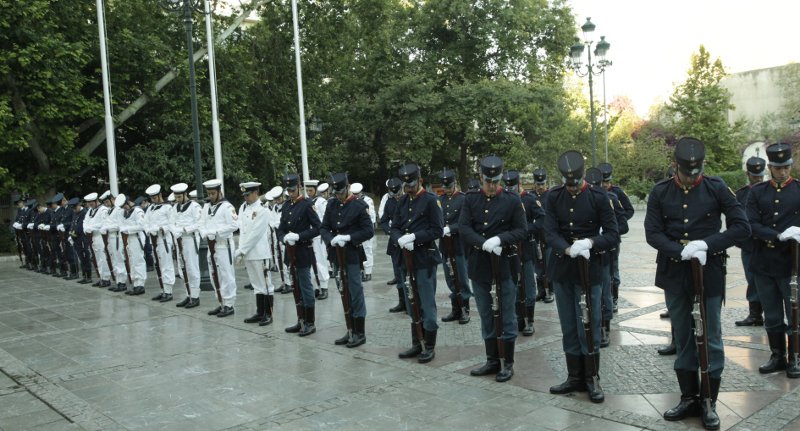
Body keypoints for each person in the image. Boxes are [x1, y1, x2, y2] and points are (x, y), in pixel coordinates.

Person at [644, 137, 750, 430]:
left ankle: (709, 401)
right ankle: (689, 396)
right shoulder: (661, 192)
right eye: (687, 172)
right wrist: (679, 250)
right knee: (683, 333)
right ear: (676, 167)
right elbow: (652, 232)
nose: (693, 177)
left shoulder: (716, 188)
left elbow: (742, 226)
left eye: (697, 171)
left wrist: (707, 244)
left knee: (711, 335)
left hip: (709, 270)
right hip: (675, 272)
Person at [547, 151, 619, 404]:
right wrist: (566, 248)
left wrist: (590, 242)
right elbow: (549, 230)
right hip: (564, 267)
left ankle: (592, 377)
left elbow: (613, 233)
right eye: (568, 182)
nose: (572, 186)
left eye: (575, 181)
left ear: (582, 176)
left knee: (589, 323)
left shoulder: (599, 196)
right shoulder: (554, 196)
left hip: (590, 269)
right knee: (569, 324)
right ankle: (574, 376)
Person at [459, 157, 526, 382]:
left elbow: (521, 230)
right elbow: (464, 228)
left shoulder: (512, 200)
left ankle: (507, 362)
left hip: (504, 264)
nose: (491, 185)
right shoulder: (471, 200)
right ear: (481, 178)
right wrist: (481, 242)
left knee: (506, 314)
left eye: (495, 181)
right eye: (488, 181)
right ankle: (491, 360)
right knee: (487, 314)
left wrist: (500, 239)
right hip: (480, 265)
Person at [746, 143, 800, 379]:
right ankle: (777, 355)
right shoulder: (757, 192)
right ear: (770, 168)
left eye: (786, 166)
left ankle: (795, 356)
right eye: (778, 168)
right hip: (764, 261)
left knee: (794, 313)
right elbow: (751, 224)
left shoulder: (798, 190)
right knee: (772, 313)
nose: (783, 171)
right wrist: (777, 235)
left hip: (791, 262)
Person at [391, 163, 443, 363]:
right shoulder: (403, 201)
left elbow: (437, 230)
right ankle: (416, 342)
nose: (408, 187)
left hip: (424, 258)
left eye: (411, 183)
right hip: (406, 258)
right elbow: (395, 226)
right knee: (412, 302)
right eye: (406, 184)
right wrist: (399, 239)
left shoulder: (430, 200)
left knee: (427, 304)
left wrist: (415, 237)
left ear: (420, 180)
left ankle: (429, 345)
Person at [320, 172, 374, 347]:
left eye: (341, 191)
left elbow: (368, 231)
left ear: (348, 186)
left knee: (355, 292)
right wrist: (330, 239)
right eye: (335, 192)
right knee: (343, 290)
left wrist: (349, 238)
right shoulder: (332, 204)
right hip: (336, 254)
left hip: (351, 254)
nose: (338, 195)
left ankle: (360, 331)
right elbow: (324, 227)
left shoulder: (359, 205)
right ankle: (349, 328)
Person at [585, 167, 629, 348]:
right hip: (587, 252)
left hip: (607, 251)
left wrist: (608, 234)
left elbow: (623, 225)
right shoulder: (582, 200)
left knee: (605, 289)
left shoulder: (611, 199)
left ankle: (605, 326)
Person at [278, 174, 321, 336]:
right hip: (290, 251)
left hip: (302, 250)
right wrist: (283, 238)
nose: (290, 193)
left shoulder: (307, 204)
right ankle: (300, 319)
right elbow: (281, 228)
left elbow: (318, 228)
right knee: (295, 286)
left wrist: (299, 236)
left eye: (293, 189)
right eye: (288, 190)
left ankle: (310, 322)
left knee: (305, 286)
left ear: (299, 188)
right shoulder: (287, 205)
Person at [504, 169, 545, 337]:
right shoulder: (504, 200)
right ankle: (518, 319)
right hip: (510, 248)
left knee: (528, 285)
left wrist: (526, 231)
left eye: (513, 187)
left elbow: (542, 219)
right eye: (508, 187)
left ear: (519, 184)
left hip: (526, 248)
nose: (510, 190)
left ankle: (530, 320)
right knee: (512, 285)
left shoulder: (529, 199)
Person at [734, 157, 767, 327]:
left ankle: (770, 312)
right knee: (751, 278)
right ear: (748, 174)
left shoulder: (770, 191)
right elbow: (734, 219)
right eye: (755, 176)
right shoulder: (741, 194)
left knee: (768, 280)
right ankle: (755, 314)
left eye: (760, 176)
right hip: (748, 245)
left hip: (767, 244)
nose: (758, 179)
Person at [200, 179, 239, 317]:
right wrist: (204, 233)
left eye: (212, 193)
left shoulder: (227, 207)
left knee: (226, 274)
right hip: (211, 244)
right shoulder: (206, 207)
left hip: (223, 244)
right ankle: (221, 301)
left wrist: (216, 232)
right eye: (208, 193)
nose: (210, 196)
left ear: (219, 192)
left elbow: (235, 225)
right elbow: (201, 223)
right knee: (214, 273)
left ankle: (229, 304)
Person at [598, 163, 634, 313]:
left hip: (612, 239)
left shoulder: (616, 193)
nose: (605, 185)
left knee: (613, 270)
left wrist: (615, 227)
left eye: (607, 182)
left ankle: (614, 299)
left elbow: (628, 210)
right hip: (598, 240)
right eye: (603, 182)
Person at [438, 169, 473, 325]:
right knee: (450, 278)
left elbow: (465, 222)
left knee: (462, 279)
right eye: (445, 186)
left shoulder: (464, 199)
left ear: (455, 184)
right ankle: (456, 309)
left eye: (449, 186)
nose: (447, 189)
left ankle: (465, 309)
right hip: (445, 246)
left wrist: (450, 229)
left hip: (459, 245)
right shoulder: (440, 200)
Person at [238, 181, 274, 326]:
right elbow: (242, 231)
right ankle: (260, 312)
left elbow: (255, 234)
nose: (246, 198)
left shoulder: (263, 209)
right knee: (256, 284)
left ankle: (268, 313)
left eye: (248, 194)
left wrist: (241, 250)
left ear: (256, 193)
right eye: (244, 195)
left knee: (265, 284)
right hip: (248, 253)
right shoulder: (243, 208)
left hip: (260, 252)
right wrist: (242, 251)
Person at [171, 183, 202, 308]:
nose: (177, 199)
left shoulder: (194, 206)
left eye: (179, 197)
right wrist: (174, 230)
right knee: (182, 268)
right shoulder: (175, 207)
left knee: (192, 268)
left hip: (190, 239)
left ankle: (195, 296)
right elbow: (171, 222)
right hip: (179, 239)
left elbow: (199, 223)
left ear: (185, 195)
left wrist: (184, 229)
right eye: (176, 197)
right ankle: (188, 294)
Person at [144, 185, 176, 302]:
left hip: (163, 239)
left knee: (166, 265)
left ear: (160, 195)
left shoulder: (167, 208)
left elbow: (171, 223)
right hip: (153, 239)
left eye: (155, 197)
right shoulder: (150, 208)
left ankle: (169, 291)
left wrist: (160, 228)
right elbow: (145, 223)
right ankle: (163, 289)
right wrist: (149, 230)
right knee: (158, 265)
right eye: (151, 197)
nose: (153, 199)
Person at [380, 177, 406, 312]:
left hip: (409, 241)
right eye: (393, 193)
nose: (396, 196)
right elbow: (383, 220)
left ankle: (412, 302)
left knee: (409, 274)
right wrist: (390, 232)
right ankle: (402, 302)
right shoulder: (389, 202)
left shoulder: (408, 199)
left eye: (398, 193)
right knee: (399, 273)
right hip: (395, 243)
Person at [532, 168, 554, 303]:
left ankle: (550, 290)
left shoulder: (551, 196)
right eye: (538, 184)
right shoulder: (531, 196)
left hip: (548, 236)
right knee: (538, 265)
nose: (540, 187)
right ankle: (541, 290)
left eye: (542, 184)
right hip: (535, 236)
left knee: (549, 264)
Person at [306, 179, 331, 300]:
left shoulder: (321, 202)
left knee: (320, 263)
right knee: (311, 265)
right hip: (309, 237)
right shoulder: (307, 202)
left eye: (311, 190)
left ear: (316, 190)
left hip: (318, 236)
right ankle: (316, 287)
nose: (309, 193)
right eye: (307, 190)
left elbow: (325, 219)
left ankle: (324, 287)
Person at [82, 192, 113, 288]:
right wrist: (86, 228)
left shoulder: (103, 210)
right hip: (92, 236)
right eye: (89, 204)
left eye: (91, 203)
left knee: (102, 258)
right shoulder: (90, 211)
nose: (90, 205)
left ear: (96, 201)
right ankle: (101, 277)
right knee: (97, 259)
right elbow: (85, 221)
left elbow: (104, 223)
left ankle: (106, 278)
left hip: (100, 235)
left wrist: (92, 228)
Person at [119, 194, 147, 296]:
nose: (124, 208)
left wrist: (128, 229)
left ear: (128, 202)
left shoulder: (137, 211)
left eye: (124, 206)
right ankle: (136, 284)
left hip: (136, 237)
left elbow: (142, 225)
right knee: (132, 261)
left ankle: (140, 284)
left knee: (138, 261)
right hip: (129, 239)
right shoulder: (125, 213)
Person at [351, 182, 376, 282]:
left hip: (365, 229)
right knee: (357, 251)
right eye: (354, 194)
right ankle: (360, 271)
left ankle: (368, 272)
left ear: (361, 192)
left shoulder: (367, 200)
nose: (355, 196)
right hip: (355, 230)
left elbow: (372, 216)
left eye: (357, 194)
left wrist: (370, 229)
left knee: (367, 250)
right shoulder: (351, 201)